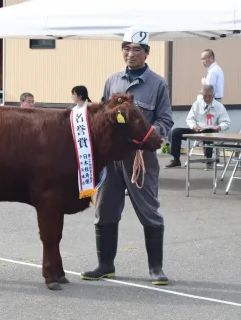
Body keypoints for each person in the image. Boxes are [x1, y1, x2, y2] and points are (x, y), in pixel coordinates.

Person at [80, 28, 174, 285]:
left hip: (139, 158)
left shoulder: (158, 84)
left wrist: (149, 138)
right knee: (105, 207)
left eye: (136, 49)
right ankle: (105, 264)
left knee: (148, 210)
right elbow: (102, 113)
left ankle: (156, 268)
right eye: (126, 48)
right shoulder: (113, 80)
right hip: (112, 158)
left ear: (146, 53)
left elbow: (166, 120)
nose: (130, 54)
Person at [165, 85, 231, 170]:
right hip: (198, 129)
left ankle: (209, 160)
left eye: (209, 96)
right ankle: (176, 159)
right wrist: (193, 126)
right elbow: (190, 119)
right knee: (175, 132)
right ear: (202, 95)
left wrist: (219, 127)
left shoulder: (219, 107)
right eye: (205, 96)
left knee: (208, 133)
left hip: (212, 130)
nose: (207, 98)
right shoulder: (197, 104)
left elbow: (226, 122)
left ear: (214, 95)